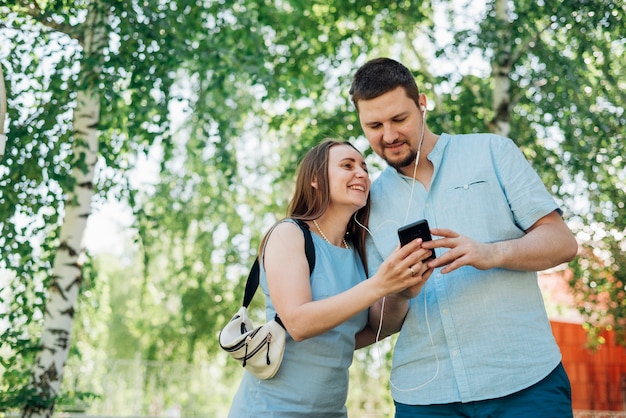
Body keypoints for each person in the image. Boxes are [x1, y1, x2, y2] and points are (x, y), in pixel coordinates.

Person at [349, 58, 579, 417]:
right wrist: (398, 291)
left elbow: (563, 242)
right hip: (424, 397)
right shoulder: (367, 203)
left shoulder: (492, 152)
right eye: (374, 125)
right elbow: (383, 324)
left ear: (422, 104)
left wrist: (490, 253)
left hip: (525, 382)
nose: (389, 135)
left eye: (399, 119)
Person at [228, 139, 433, 417]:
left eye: (364, 167)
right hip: (269, 410)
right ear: (315, 179)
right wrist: (380, 284)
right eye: (347, 166)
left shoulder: (356, 252)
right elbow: (297, 323)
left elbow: (376, 329)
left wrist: (401, 291)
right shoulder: (290, 234)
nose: (361, 173)